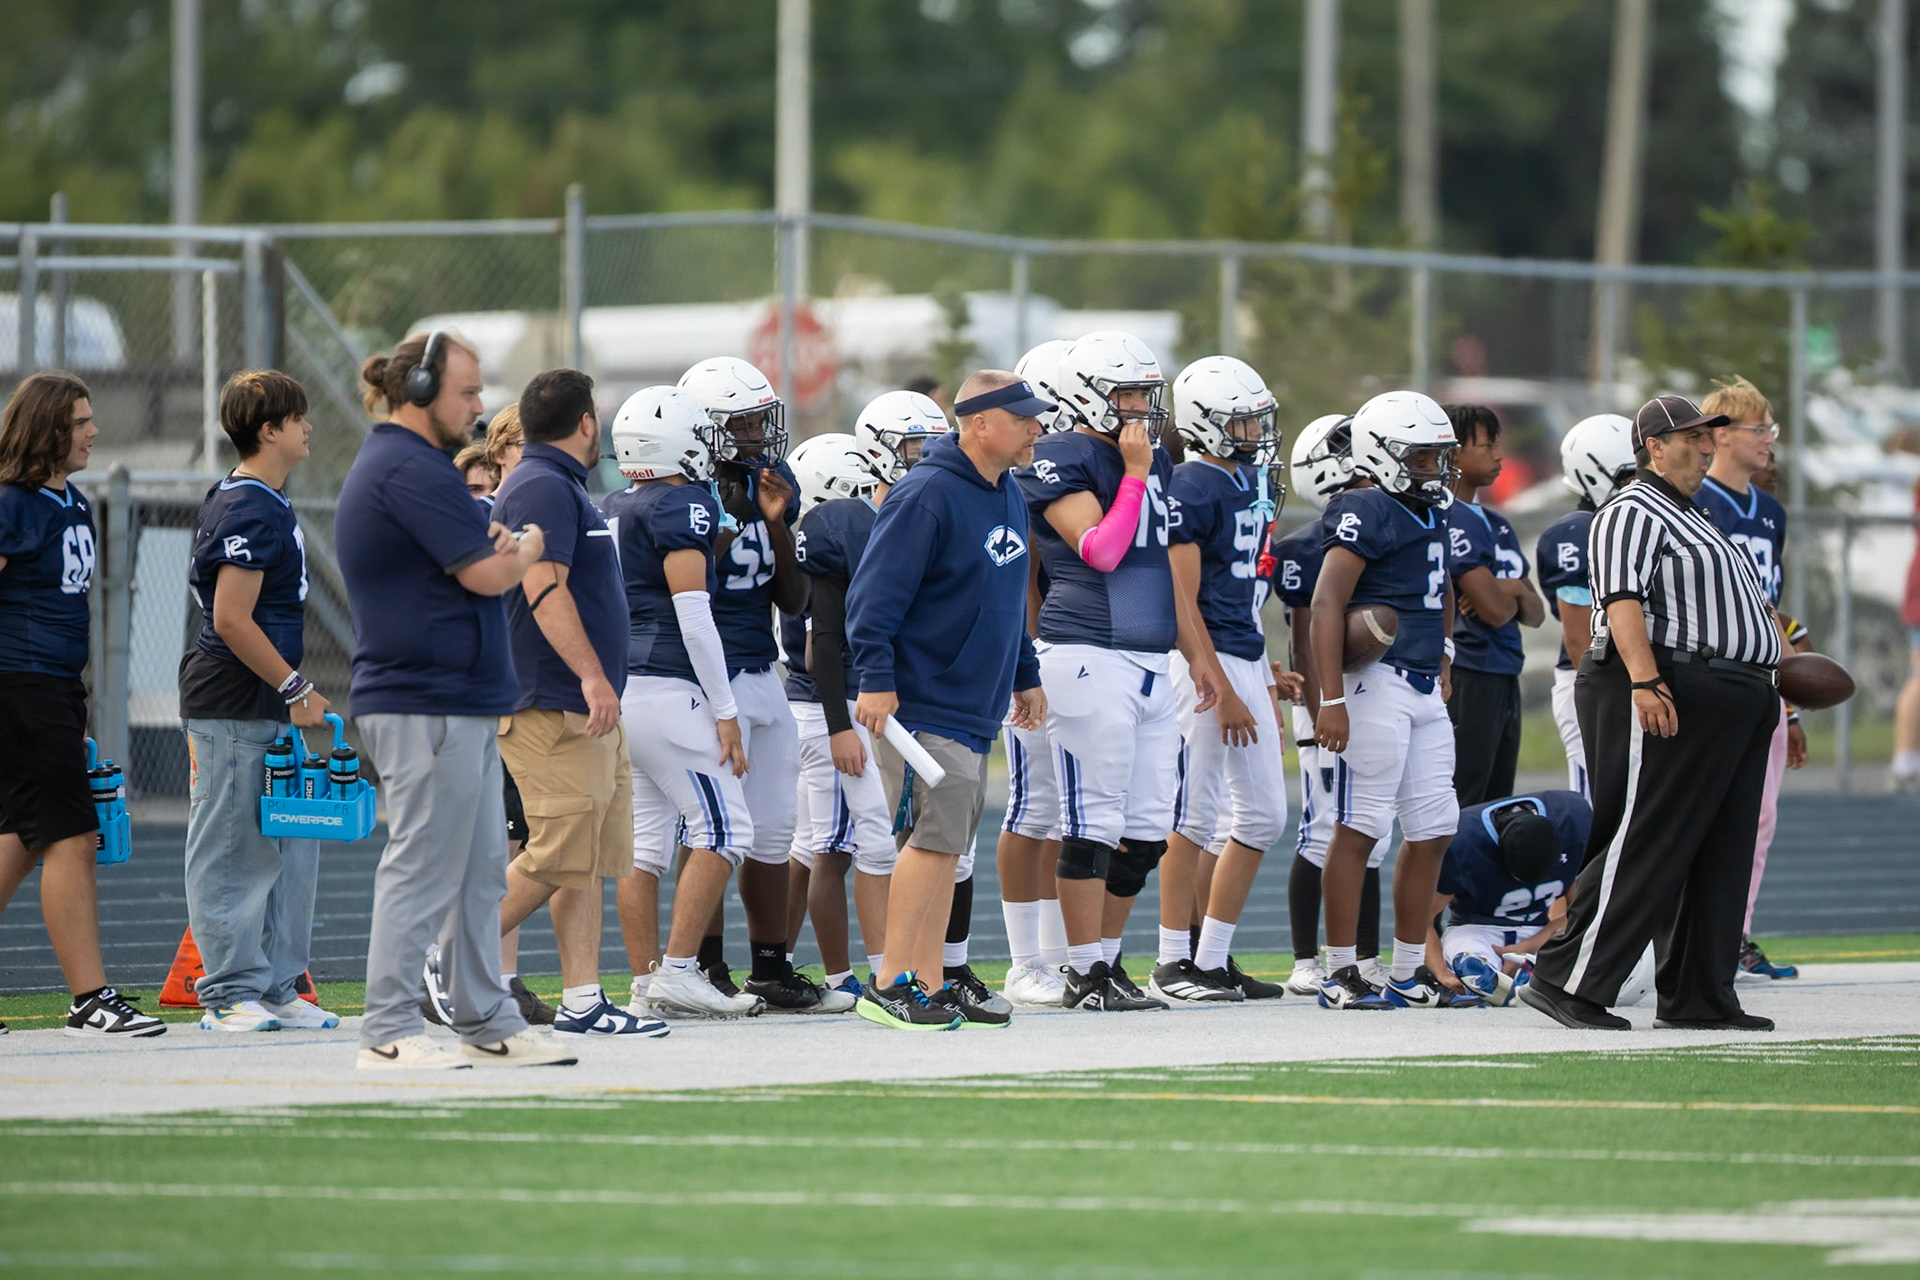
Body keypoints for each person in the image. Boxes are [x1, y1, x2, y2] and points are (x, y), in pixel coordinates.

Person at [338, 331, 573, 1069]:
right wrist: (525, 550)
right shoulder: (409, 468)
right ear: (418, 391)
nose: (478, 407)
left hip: (456, 700)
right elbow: (487, 571)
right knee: (422, 865)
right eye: (466, 392)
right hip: (423, 699)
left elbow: (480, 553)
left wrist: (504, 548)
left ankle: (484, 1017)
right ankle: (386, 1029)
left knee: (476, 871)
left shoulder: (423, 468)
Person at [1521, 394, 1784, 1033]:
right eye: (1692, 438)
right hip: (1669, 682)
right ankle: (1567, 979)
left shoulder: (1696, 514)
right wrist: (1645, 680)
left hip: (1731, 694)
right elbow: (1622, 597)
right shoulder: (1634, 507)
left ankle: (1699, 993)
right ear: (1655, 448)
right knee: (1644, 837)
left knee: (1717, 849)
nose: (1706, 447)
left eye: (1709, 437)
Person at [1017, 332, 1229, 1014]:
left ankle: (1105, 962)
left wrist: (1197, 654)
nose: (1140, 405)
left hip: (1148, 660)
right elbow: (1103, 551)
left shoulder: (1150, 458)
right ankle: (1083, 971)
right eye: (1127, 393)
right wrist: (1134, 474)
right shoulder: (1061, 455)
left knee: (1144, 831)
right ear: (1087, 396)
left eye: (1145, 392)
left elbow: (1160, 565)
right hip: (1087, 654)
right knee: (1093, 823)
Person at [848, 369, 1048, 1030]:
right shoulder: (927, 492)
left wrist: (1024, 672)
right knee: (932, 842)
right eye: (1023, 419)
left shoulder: (1008, 490)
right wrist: (876, 679)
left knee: (945, 847)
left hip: (975, 704)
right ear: (980, 424)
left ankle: (928, 982)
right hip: (923, 702)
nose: (1036, 429)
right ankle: (889, 983)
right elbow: (872, 599)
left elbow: (1009, 596)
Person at [487, 369, 659, 1038]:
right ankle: (449, 953)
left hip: (583, 705)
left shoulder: (559, 485)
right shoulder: (541, 485)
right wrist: (591, 676)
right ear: (586, 423)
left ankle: (583, 999)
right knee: (559, 849)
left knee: (586, 857)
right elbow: (543, 587)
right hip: (553, 701)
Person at [0, 371, 162, 1038]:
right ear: (48, 429)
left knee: (20, 838)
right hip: (22, 684)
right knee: (71, 836)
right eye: (80, 422)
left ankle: (90, 998)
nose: (94, 431)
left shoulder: (73, 501)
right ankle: (90, 998)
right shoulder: (12, 503)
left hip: (58, 687)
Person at [177, 370, 340, 1033]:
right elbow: (230, 618)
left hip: (264, 702)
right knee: (233, 845)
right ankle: (227, 992)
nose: (308, 427)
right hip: (232, 699)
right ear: (269, 430)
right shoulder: (247, 504)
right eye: (298, 418)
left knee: (290, 842)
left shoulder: (266, 498)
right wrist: (296, 687)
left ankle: (276, 984)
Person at [1311, 390, 1481, 1011]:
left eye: (1438, 456)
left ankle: (1409, 972)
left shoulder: (1429, 510)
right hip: (1375, 683)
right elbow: (1327, 602)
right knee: (1360, 827)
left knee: (1435, 827)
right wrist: (1332, 699)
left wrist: (1446, 654)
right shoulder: (1365, 506)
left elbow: (1441, 590)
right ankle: (1340, 972)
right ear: (1381, 455)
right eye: (1421, 457)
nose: (1435, 468)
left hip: (1422, 682)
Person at [604, 386, 765, 1020]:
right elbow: (694, 618)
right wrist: (726, 711)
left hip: (627, 687)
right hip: (671, 687)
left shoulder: (616, 503)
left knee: (645, 846)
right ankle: (676, 971)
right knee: (727, 830)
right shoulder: (683, 503)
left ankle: (646, 982)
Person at [676, 357, 825, 1011]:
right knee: (709, 828)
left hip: (765, 670)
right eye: (741, 423)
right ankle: (703, 966)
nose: (758, 433)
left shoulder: (772, 477)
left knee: (772, 829)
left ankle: (771, 967)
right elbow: (691, 588)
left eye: (760, 419)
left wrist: (774, 522)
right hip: (708, 677)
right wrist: (728, 519)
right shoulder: (684, 483)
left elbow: (794, 599)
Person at [1156, 355, 1298, 1003]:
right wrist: (1218, 679)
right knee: (1192, 811)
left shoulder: (1245, 478)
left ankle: (1211, 959)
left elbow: (1241, 592)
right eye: (1242, 421)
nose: (1255, 432)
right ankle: (1172, 961)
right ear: (1204, 423)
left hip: (1240, 649)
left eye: (1257, 420)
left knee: (1263, 816)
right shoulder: (1191, 485)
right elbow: (1181, 599)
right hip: (1200, 658)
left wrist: (1258, 673)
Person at [779, 414, 920, 1001]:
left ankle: (778, 965)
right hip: (829, 706)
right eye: (860, 489)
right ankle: (859, 974)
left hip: (821, 703)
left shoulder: (815, 537)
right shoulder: (828, 538)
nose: (872, 502)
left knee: (815, 846)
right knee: (846, 847)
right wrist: (840, 724)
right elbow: (823, 649)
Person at [1272, 414, 1388, 997]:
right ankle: (1303, 959)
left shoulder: (1387, 524)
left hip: (1371, 695)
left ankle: (1366, 957)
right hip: (1325, 702)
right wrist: (1322, 714)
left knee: (1371, 834)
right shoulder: (1304, 546)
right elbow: (1303, 642)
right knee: (1322, 830)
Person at [1694, 377, 1803, 983]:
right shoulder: (1694, 500)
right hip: (1711, 672)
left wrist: (1792, 704)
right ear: (1722, 436)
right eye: (1759, 429)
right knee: (1699, 811)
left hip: (1764, 678)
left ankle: (1732, 934)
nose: (1769, 440)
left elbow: (1772, 609)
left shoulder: (1769, 512)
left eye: (1770, 428)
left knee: (1760, 817)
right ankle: (1682, 933)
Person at [995, 339, 1076, 1008]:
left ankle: (1053, 956)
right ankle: (1024, 962)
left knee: (1064, 815)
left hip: (1069, 654)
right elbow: (1024, 578)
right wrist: (1030, 657)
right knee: (1033, 806)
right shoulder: (1030, 476)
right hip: (1034, 655)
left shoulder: (1081, 463)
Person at [1443, 404, 1544, 806]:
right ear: (1453, 453)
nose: (1499, 456)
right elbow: (1495, 612)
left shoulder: (1497, 523)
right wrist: (1512, 594)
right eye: (1487, 446)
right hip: (1468, 674)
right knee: (1463, 802)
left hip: (1504, 672)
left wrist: (1511, 587)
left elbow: (1535, 613)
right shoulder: (1448, 517)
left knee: (1497, 802)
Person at [1536, 413, 1637, 800]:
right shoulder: (1576, 533)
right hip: (1598, 679)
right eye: (1630, 477)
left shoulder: (1636, 525)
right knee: (1600, 807)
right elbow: (1581, 640)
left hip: (1639, 676)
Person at [1429, 791, 1591, 1005]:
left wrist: (1529, 945)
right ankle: (1496, 976)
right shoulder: (1465, 843)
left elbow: (1581, 913)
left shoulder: (1573, 823)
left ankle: (1531, 972)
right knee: (1467, 953)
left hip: (1542, 931)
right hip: (1477, 930)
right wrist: (1441, 974)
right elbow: (1421, 920)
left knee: (1582, 942)